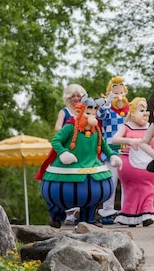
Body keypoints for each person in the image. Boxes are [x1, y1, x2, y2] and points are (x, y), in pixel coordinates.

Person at [41, 96, 122, 228]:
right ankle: (56, 216)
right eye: (88, 113)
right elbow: (56, 141)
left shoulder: (96, 130)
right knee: (58, 195)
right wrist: (63, 153)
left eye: (94, 113)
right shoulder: (69, 128)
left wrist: (112, 156)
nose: (92, 117)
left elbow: (104, 146)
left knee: (95, 192)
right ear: (78, 113)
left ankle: (88, 219)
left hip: (92, 168)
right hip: (67, 169)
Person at [112, 97, 154, 227]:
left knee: (148, 188)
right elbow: (114, 139)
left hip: (147, 163)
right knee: (131, 190)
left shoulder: (150, 127)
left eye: (146, 109)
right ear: (132, 113)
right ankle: (130, 215)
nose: (146, 113)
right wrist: (128, 141)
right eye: (141, 110)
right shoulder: (126, 126)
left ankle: (146, 213)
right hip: (129, 161)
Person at [96, 76, 129, 224]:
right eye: (115, 94)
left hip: (127, 152)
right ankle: (107, 211)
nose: (119, 97)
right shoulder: (108, 111)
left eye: (121, 93)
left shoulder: (129, 112)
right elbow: (99, 115)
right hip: (110, 151)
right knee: (111, 182)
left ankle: (126, 211)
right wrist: (107, 103)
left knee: (127, 183)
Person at [54, 83, 87, 225]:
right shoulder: (64, 111)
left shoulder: (87, 110)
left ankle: (82, 211)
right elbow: (57, 128)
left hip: (83, 149)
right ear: (68, 97)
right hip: (68, 148)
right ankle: (67, 212)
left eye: (78, 95)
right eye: (73, 95)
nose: (75, 98)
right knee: (68, 180)